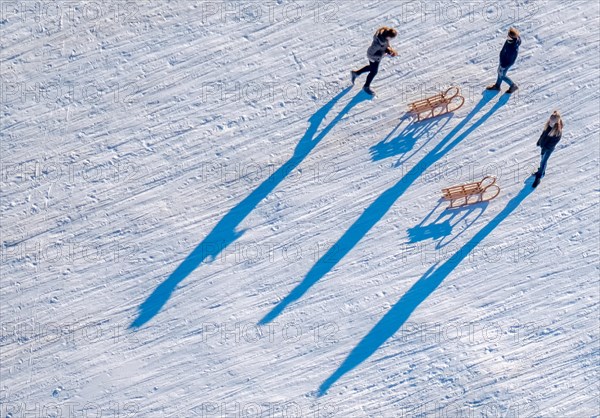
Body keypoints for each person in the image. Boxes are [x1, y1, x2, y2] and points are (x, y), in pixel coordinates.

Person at [351, 27, 398, 96]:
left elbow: (386, 45)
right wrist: (384, 55)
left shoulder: (384, 36)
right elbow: (370, 53)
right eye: (391, 38)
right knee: (374, 71)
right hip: (373, 57)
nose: (391, 40)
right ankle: (366, 86)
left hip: (378, 56)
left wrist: (389, 50)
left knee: (372, 68)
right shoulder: (378, 44)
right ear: (388, 36)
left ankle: (356, 73)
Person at [533, 111, 563, 188]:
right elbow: (543, 134)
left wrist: (544, 149)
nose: (550, 122)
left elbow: (551, 144)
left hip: (548, 149)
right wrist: (539, 141)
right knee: (542, 160)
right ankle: (542, 172)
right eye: (550, 120)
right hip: (543, 147)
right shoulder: (548, 125)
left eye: (552, 121)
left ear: (556, 122)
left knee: (543, 162)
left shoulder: (557, 132)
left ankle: (538, 177)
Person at [486, 27, 521, 94]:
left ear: (512, 38)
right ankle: (497, 86)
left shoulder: (513, 48)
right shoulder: (512, 40)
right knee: (500, 73)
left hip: (505, 63)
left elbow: (510, 59)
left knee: (502, 75)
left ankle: (512, 85)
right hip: (503, 61)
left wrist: (503, 65)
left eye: (509, 36)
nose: (507, 37)